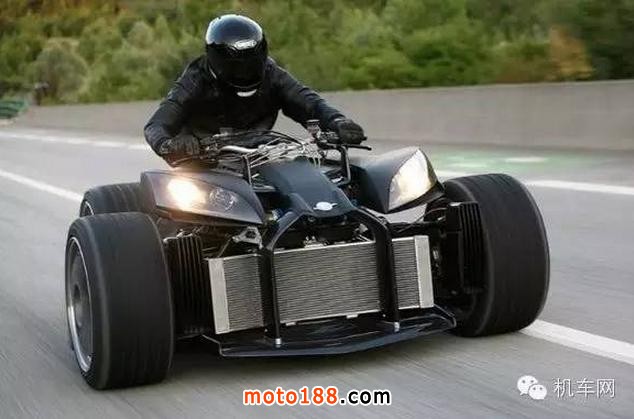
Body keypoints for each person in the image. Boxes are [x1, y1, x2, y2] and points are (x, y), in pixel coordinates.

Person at [144, 14, 365, 164]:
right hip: (203, 163)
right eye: (235, 65)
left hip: (261, 157)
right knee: (182, 204)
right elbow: (156, 125)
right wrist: (169, 145)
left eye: (252, 63)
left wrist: (337, 122)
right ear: (214, 59)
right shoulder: (194, 80)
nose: (245, 72)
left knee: (319, 177)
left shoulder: (273, 74)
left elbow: (311, 104)